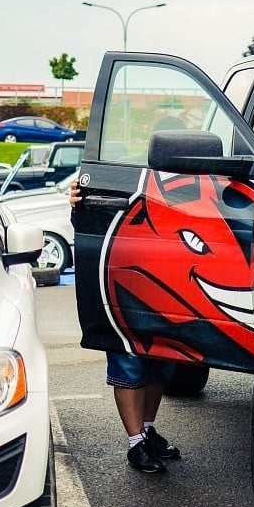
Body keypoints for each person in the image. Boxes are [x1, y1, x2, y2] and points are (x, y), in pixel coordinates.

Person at [70, 182, 182, 474]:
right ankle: (136, 444)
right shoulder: (114, 178)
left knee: (164, 360)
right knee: (128, 359)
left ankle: (146, 431)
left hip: (169, 275)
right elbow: (87, 216)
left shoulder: (181, 178)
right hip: (124, 272)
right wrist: (77, 201)